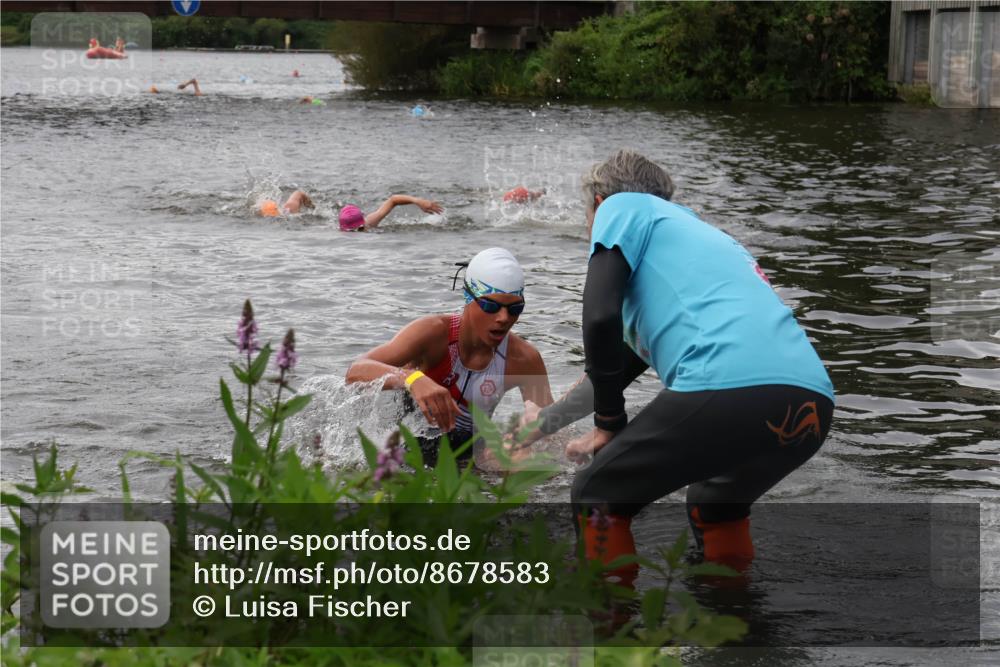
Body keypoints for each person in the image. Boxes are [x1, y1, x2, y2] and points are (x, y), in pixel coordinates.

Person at [515, 149, 835, 582]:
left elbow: (599, 316)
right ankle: (731, 617)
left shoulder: (620, 206)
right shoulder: (697, 240)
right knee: (713, 501)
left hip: (730, 386)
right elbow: (612, 369)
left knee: (597, 492)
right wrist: (543, 425)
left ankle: (613, 638)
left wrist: (610, 422)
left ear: (597, 201)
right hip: (811, 399)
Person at [346, 247, 553, 466]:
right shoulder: (432, 334)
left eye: (515, 308)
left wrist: (525, 443)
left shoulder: (524, 359)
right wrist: (412, 379)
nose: (503, 318)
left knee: (525, 463)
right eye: (491, 305)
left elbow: (553, 433)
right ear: (468, 296)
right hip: (408, 448)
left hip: (470, 453)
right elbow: (355, 372)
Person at [338, 195, 443, 232]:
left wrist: (418, 201)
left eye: (360, 228)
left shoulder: (370, 222)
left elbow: (393, 200)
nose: (359, 231)